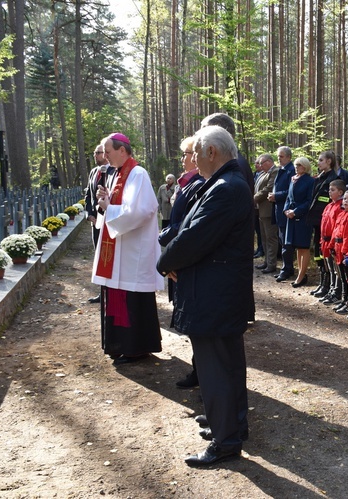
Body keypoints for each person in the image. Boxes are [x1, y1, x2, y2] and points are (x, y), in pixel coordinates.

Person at [156, 125, 253, 468]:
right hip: (218, 294)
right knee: (224, 367)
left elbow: (195, 236)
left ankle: (226, 442)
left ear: (212, 152)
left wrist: (165, 261)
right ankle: (229, 427)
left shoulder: (226, 188)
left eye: (196, 153)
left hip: (216, 296)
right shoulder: (224, 184)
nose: (193, 160)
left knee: (217, 370)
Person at [92, 133, 163, 365]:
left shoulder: (137, 174)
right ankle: (119, 346)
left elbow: (142, 211)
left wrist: (108, 208)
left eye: (108, 152)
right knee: (118, 295)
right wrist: (107, 201)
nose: (105, 157)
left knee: (131, 299)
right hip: (120, 251)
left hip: (133, 252)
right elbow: (120, 206)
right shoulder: (119, 173)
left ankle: (136, 348)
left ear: (122, 151)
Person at [159, 136, 206, 389]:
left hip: (185, 256)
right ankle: (198, 370)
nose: (185, 159)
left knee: (195, 322)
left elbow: (187, 224)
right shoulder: (185, 183)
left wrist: (164, 235)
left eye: (187, 154)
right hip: (178, 251)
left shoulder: (197, 184)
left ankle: (201, 373)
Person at [85, 143, 114, 304]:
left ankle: (111, 291)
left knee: (108, 257)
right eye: (95, 153)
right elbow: (88, 194)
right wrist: (89, 214)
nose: (95, 156)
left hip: (109, 220)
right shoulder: (94, 172)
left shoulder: (114, 172)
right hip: (95, 222)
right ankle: (102, 292)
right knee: (98, 256)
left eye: (98, 153)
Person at [307, 151, 339, 296]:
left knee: (325, 254)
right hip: (316, 221)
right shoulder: (319, 178)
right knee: (318, 254)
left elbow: (328, 202)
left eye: (321, 160)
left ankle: (329, 285)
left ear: (329, 162)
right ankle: (322, 282)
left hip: (325, 223)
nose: (318, 163)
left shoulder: (334, 179)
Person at [200, 112, 254, 192]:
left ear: (221, 135)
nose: (200, 140)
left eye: (205, 136)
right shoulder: (232, 162)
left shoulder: (235, 167)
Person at [283, 157, 315, 287]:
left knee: (303, 246)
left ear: (305, 166)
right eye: (295, 165)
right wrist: (286, 210)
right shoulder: (293, 178)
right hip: (291, 218)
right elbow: (288, 198)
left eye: (299, 165)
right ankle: (300, 274)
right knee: (296, 246)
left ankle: (302, 276)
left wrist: (295, 211)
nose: (296, 167)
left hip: (303, 218)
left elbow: (309, 201)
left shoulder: (310, 181)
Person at [268, 146, 296, 282]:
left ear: (289, 157)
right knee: (281, 239)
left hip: (285, 210)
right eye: (278, 156)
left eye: (282, 156)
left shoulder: (291, 170)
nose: (279, 158)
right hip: (278, 209)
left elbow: (290, 192)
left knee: (286, 242)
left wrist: (276, 195)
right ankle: (287, 268)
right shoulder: (282, 169)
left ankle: (287, 269)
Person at [318, 179, 346, 304]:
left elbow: (337, 228)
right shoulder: (329, 205)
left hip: (333, 243)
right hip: (325, 242)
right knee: (330, 268)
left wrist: (333, 243)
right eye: (329, 189)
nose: (330, 192)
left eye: (332, 190)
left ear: (340, 192)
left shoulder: (340, 207)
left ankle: (337, 292)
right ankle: (331, 289)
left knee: (336, 269)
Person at [253, 153, 279, 275]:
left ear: (269, 161)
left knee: (270, 237)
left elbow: (269, 188)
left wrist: (254, 198)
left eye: (262, 163)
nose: (260, 165)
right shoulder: (264, 173)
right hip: (261, 210)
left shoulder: (274, 171)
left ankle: (272, 264)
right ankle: (266, 261)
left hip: (268, 210)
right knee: (263, 237)